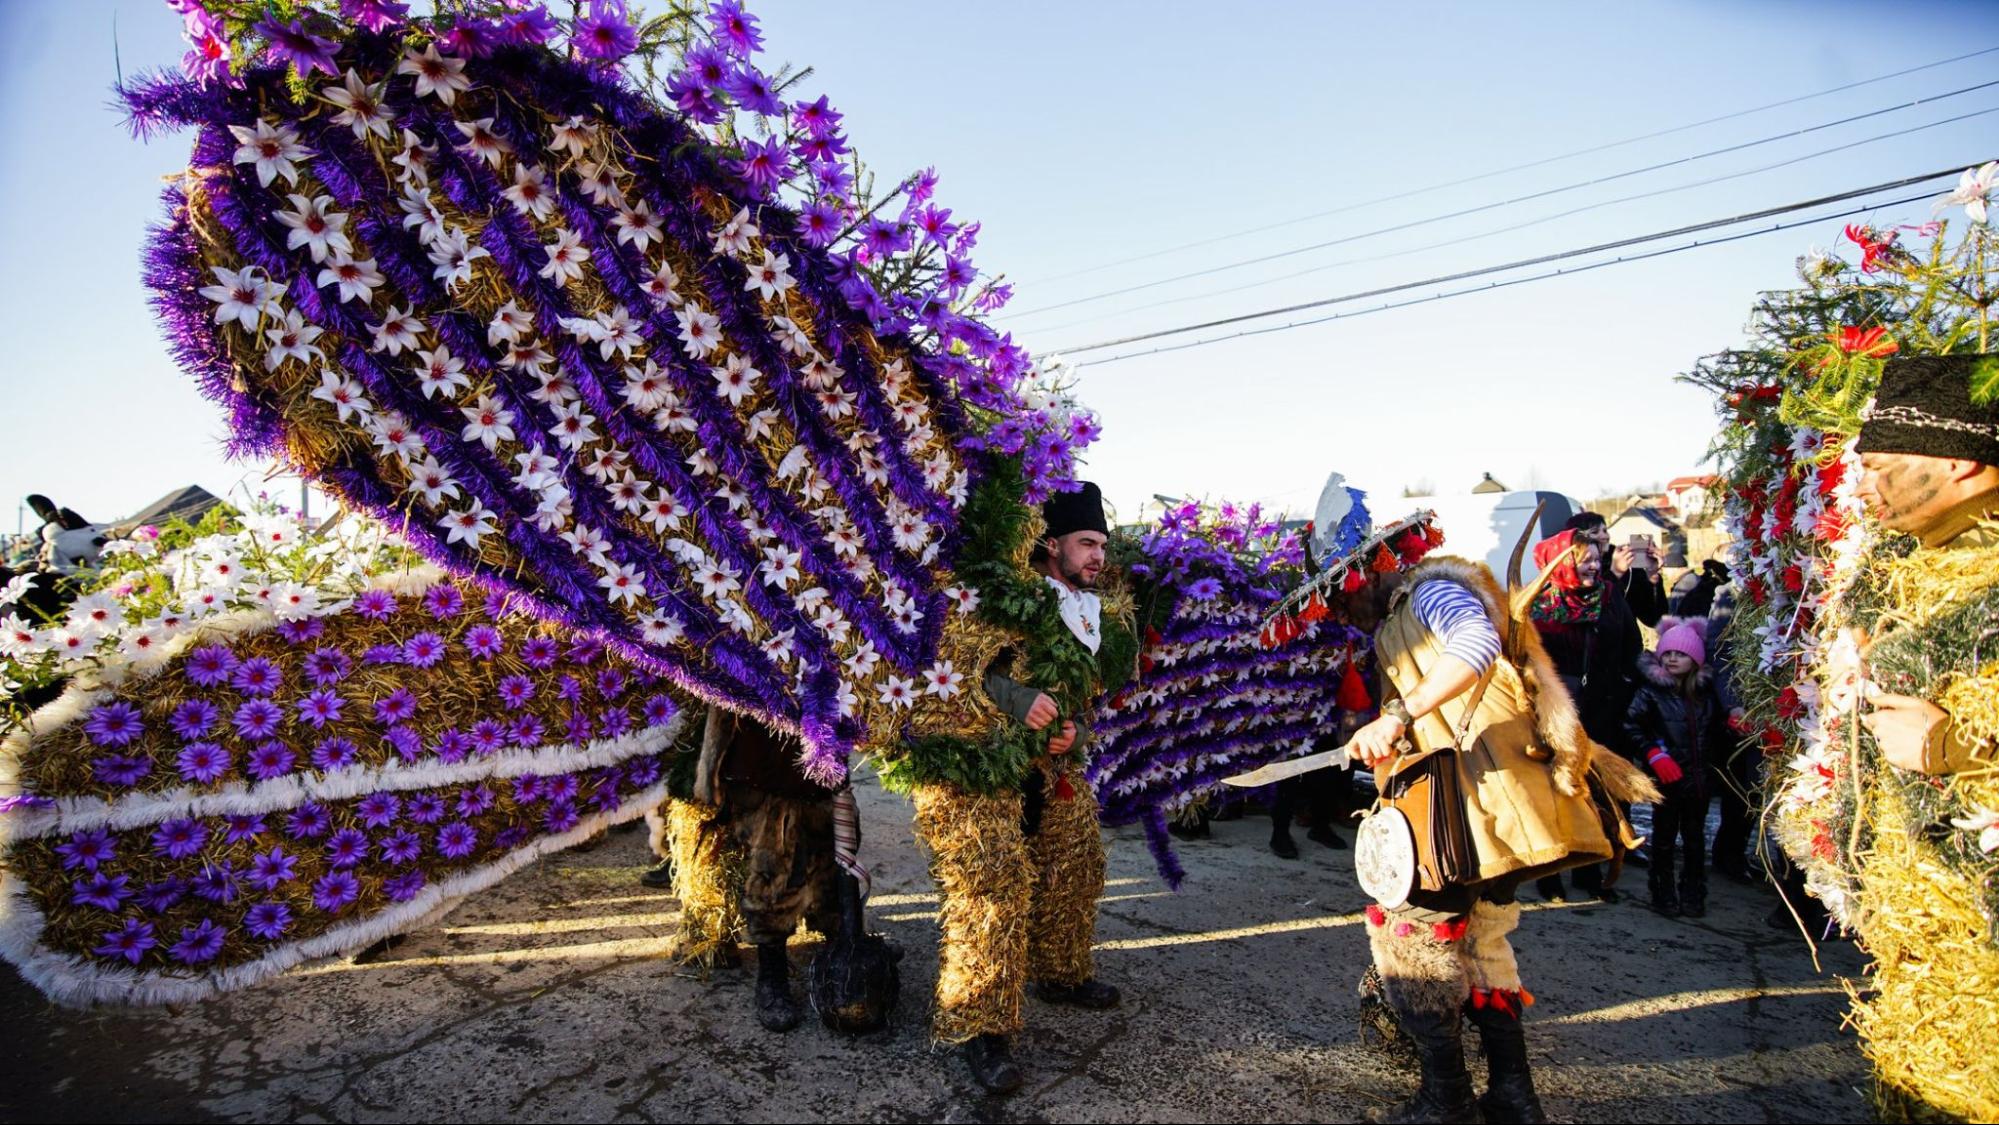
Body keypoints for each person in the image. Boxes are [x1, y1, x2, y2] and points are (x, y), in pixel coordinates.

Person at [1283, 474, 1654, 1124]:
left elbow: (1475, 644)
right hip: (1472, 804)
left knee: (1411, 941)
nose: (1335, 614)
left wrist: (1397, 717)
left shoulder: (1430, 592)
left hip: (1477, 801)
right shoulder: (1400, 612)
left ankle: (1446, 1098)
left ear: (1361, 577)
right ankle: (1514, 1095)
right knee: (1483, 940)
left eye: (1335, 599)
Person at [914, 482, 1126, 1094]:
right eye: (1087, 543)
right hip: (973, 769)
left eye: (1103, 546)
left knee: (1076, 863)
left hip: (1050, 774)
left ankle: (1060, 971)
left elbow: (1088, 703)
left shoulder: (1092, 615)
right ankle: (981, 1027)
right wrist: (1016, 698)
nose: (1098, 557)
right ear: (1050, 543)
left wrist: (1074, 734)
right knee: (993, 889)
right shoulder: (993, 599)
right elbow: (950, 671)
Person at [664, 706, 844, 1032]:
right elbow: (725, 690)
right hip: (764, 762)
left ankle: (841, 944)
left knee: (833, 849)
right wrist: (710, 768)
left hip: (821, 750)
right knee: (775, 862)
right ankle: (771, 970)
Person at [1525, 530, 1643, 904]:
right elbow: (1524, 657)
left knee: (1595, 792)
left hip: (1603, 708)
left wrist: (1620, 686)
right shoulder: (1538, 603)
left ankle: (1589, 871)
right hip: (1555, 710)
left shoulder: (1609, 597)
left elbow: (1632, 645)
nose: (1594, 565)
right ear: (1562, 562)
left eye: (1596, 557)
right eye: (1585, 559)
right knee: (1556, 791)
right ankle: (1550, 873)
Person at [1622, 618, 1737, 919]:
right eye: (1668, 653)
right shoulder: (1651, 693)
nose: (1673, 658)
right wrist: (1653, 755)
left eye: (1681, 654)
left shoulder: (1707, 696)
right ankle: (1662, 890)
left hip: (1699, 781)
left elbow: (1714, 733)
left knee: (1695, 839)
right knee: (1663, 839)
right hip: (1668, 780)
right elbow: (1633, 726)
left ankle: (1693, 892)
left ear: (1695, 659)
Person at [1564, 512, 1667, 627]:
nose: (1605, 536)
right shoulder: (1571, 573)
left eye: (1605, 530)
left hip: (1629, 644)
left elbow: (1655, 620)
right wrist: (1615, 573)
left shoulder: (1629, 568)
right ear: (1578, 540)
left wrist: (1652, 577)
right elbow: (1587, 613)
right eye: (1594, 532)